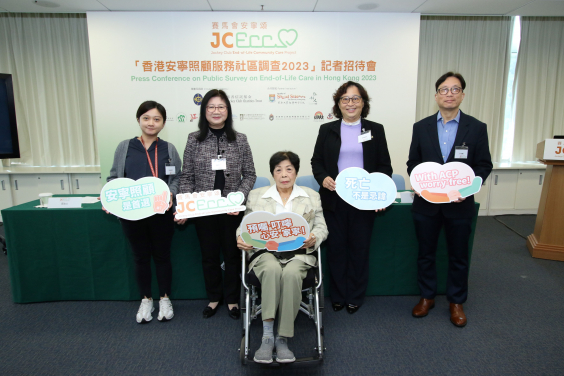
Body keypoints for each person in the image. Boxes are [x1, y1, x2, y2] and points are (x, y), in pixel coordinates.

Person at [407, 72, 493, 327]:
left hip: (460, 205)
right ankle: (427, 297)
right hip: (427, 205)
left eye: (455, 90)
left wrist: (465, 190)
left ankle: (456, 301)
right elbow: (413, 163)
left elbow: (484, 166)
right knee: (426, 253)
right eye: (444, 90)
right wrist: (421, 183)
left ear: (462, 95)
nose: (449, 94)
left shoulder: (477, 128)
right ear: (436, 96)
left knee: (458, 255)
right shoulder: (421, 127)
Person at [237, 151, 328, 364]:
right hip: (265, 253)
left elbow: (322, 226)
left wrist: (314, 237)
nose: (284, 174)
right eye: (278, 170)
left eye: (289, 169)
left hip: (298, 254)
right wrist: (240, 239)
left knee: (292, 273)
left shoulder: (311, 195)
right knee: (271, 269)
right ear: (272, 173)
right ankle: (267, 336)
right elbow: (245, 227)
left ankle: (283, 337)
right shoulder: (257, 195)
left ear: (296, 173)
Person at [311, 81, 393, 314]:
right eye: (345, 99)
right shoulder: (327, 129)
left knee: (359, 249)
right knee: (336, 249)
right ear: (338, 104)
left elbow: (384, 167)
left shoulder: (375, 129)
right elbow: (316, 161)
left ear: (363, 103)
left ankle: (355, 295)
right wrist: (323, 177)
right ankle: (337, 295)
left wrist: (379, 197)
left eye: (355, 98)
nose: (350, 103)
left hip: (363, 200)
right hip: (334, 199)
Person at [178, 89, 256, 320]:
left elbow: (250, 175)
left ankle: (232, 299)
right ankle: (214, 298)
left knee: (232, 255)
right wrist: (184, 206)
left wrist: (239, 197)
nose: (216, 111)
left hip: (231, 209)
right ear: (204, 111)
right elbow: (187, 176)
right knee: (209, 255)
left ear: (228, 110)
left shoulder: (239, 139)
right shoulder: (194, 138)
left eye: (221, 106)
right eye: (211, 106)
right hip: (204, 208)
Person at [106, 100, 182, 323]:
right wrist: (111, 199)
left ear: (163, 123)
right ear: (138, 120)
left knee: (162, 256)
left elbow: (176, 177)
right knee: (140, 258)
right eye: (146, 118)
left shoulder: (169, 148)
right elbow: (113, 178)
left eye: (157, 119)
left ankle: (165, 299)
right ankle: (146, 299)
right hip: (132, 214)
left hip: (160, 213)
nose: (151, 123)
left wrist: (170, 194)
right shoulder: (124, 147)